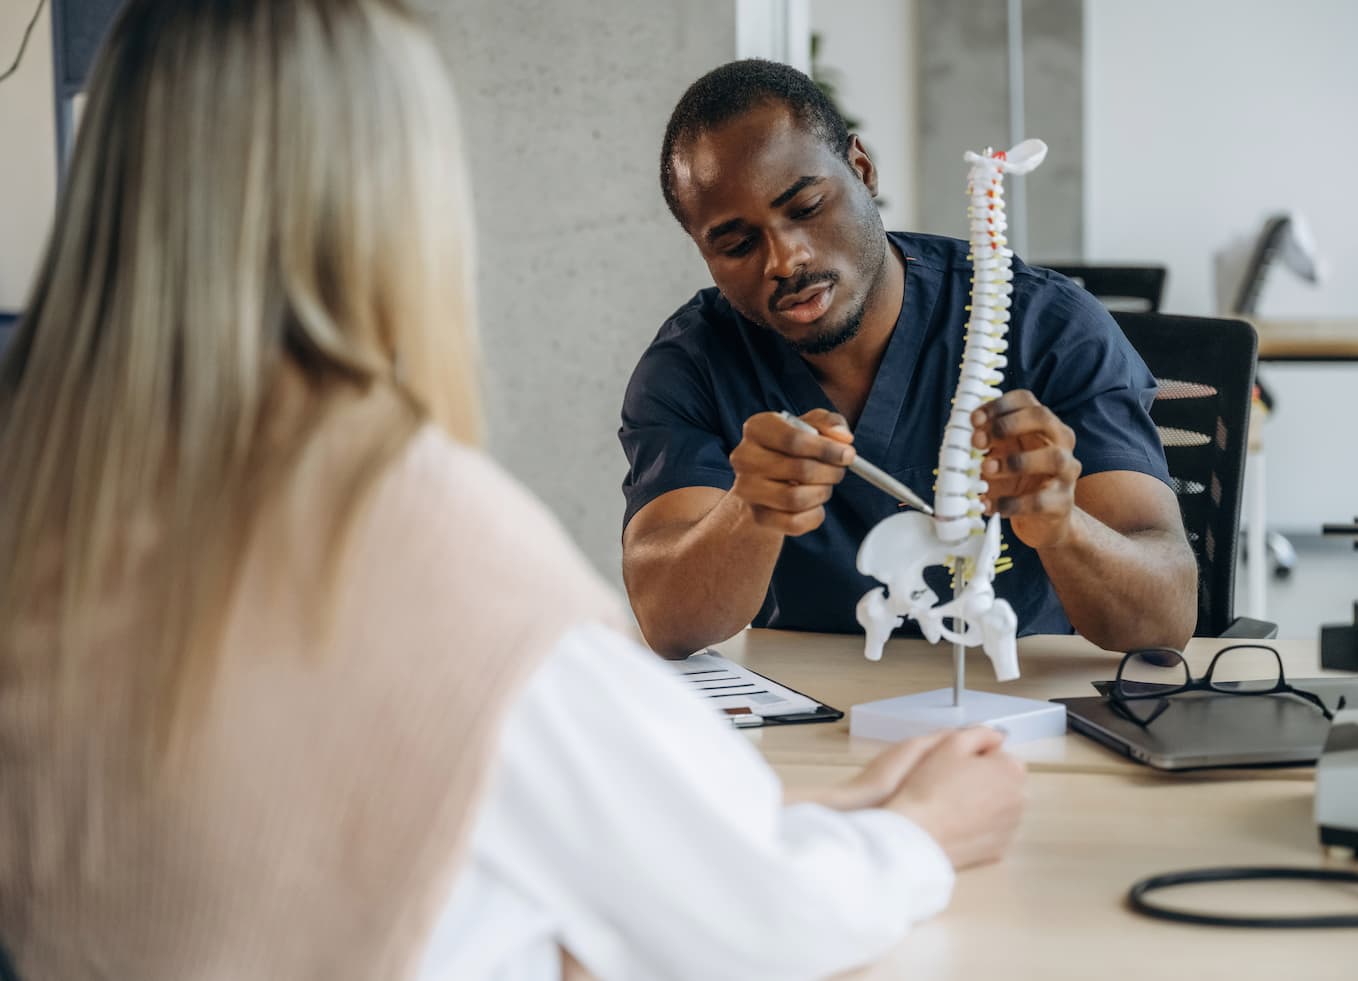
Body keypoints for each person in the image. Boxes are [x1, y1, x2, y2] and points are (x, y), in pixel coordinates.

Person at [0, 4, 1026, 979]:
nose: (786, 256)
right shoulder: (408, 536)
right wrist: (919, 834)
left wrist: (825, 825)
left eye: (803, 207)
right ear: (397, 202)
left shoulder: (43, 491)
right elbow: (758, 924)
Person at [620, 59, 1198, 659]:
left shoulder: (1049, 329)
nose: (785, 260)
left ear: (862, 169)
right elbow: (669, 624)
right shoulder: (693, 363)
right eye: (738, 244)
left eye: (807, 208)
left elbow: (1165, 619)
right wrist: (749, 510)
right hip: (812, 726)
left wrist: (1064, 528)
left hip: (1024, 715)